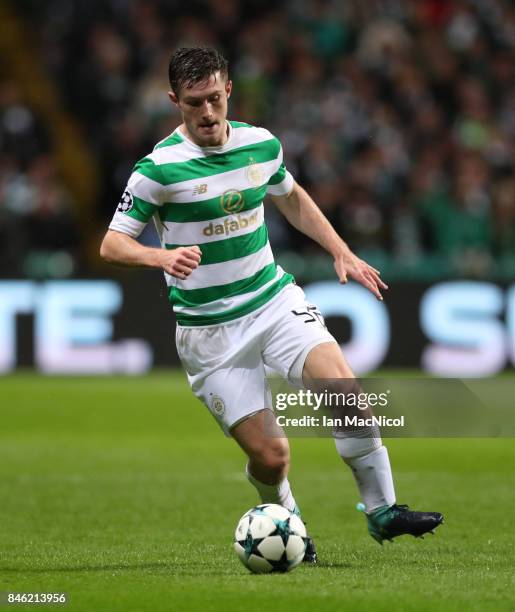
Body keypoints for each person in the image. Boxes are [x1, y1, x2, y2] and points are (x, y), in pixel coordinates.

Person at [100, 47, 443, 561]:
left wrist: (341, 250)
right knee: (272, 457)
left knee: (346, 393)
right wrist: (159, 257)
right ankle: (288, 525)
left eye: (215, 98)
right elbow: (111, 243)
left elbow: (292, 197)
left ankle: (383, 510)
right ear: (175, 101)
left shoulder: (261, 145)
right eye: (195, 103)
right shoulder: (158, 170)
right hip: (210, 333)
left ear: (229, 90)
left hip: (272, 301)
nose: (209, 113)